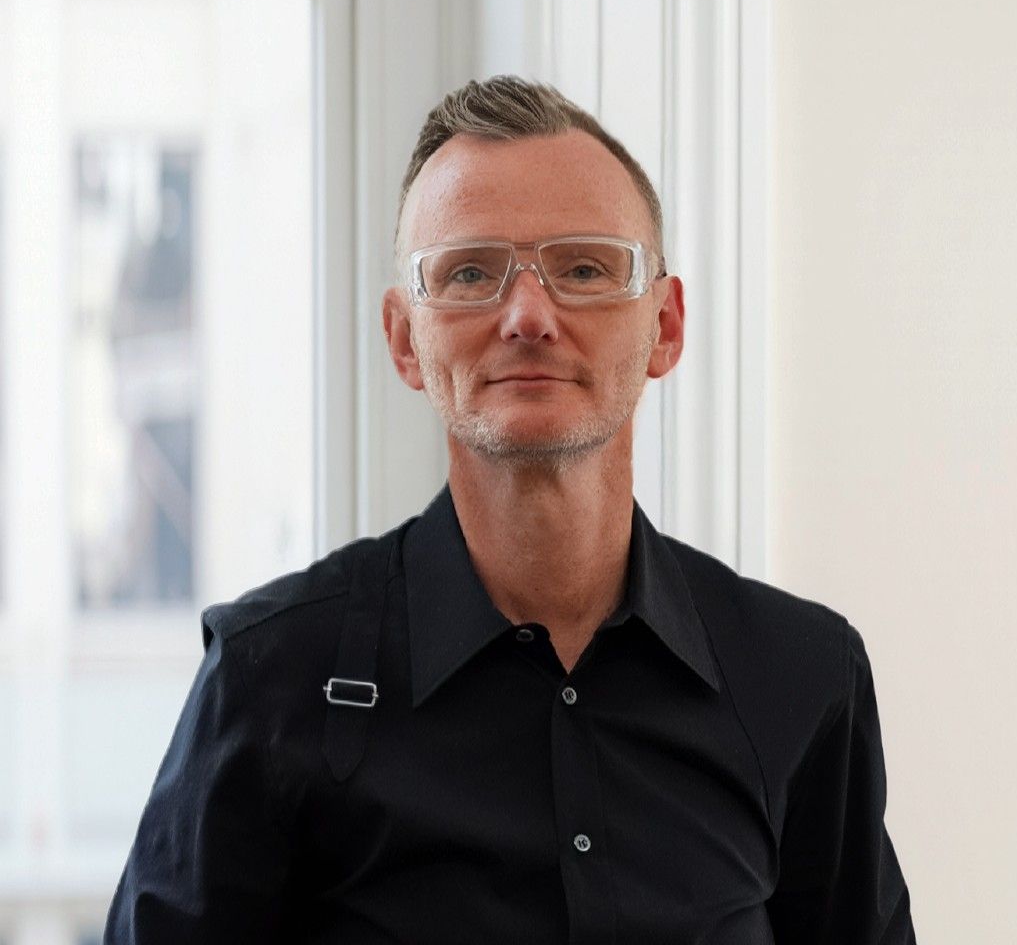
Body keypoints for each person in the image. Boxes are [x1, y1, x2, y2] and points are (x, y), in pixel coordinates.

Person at [105, 76, 915, 943]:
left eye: (584, 269)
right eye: (470, 273)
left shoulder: (801, 677)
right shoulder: (269, 681)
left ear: (667, 326)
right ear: (404, 339)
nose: (529, 315)